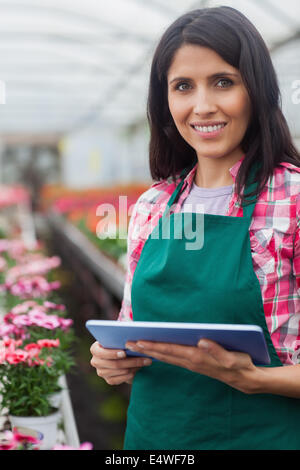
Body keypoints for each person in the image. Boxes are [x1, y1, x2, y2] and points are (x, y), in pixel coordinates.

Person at [90, 6, 300, 450]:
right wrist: (111, 359)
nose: (203, 106)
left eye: (223, 82)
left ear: (256, 89)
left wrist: (255, 379)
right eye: (183, 86)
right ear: (165, 101)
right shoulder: (151, 207)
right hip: (155, 438)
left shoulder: (292, 200)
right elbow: (132, 328)